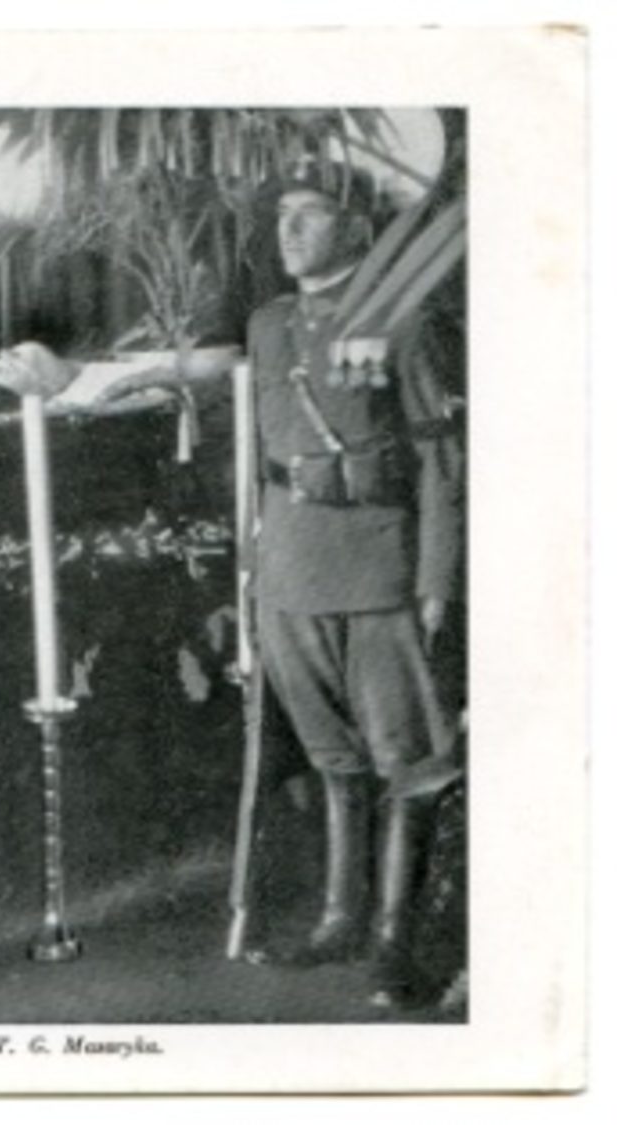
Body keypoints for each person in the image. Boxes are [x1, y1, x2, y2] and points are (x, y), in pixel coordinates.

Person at [245, 158, 464, 1007]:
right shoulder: (268, 325)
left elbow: (440, 459)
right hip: (290, 566)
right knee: (332, 754)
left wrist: (435, 576)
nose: (289, 230)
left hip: (378, 566)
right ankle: (340, 918)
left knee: (406, 758)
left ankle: (393, 939)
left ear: (358, 227)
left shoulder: (401, 321)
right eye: (283, 215)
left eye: (310, 213)